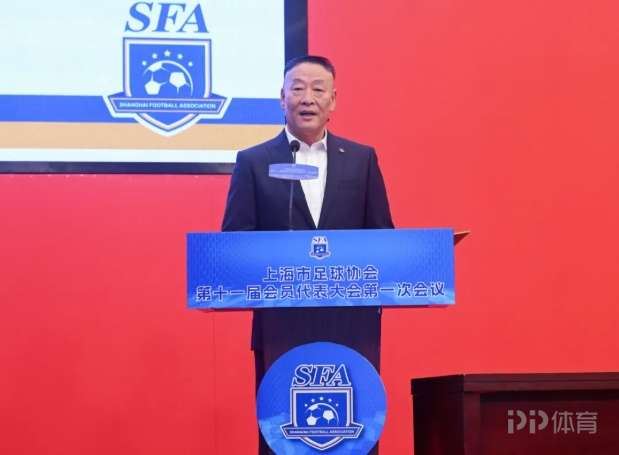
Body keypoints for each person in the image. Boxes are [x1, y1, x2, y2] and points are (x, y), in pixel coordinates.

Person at [221, 55, 393, 454]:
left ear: (334, 100)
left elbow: (383, 237)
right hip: (282, 325)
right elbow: (235, 240)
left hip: (351, 325)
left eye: (318, 89)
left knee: (352, 433)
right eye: (297, 88)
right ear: (281, 98)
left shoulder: (362, 159)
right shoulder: (254, 162)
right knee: (285, 437)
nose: (307, 98)